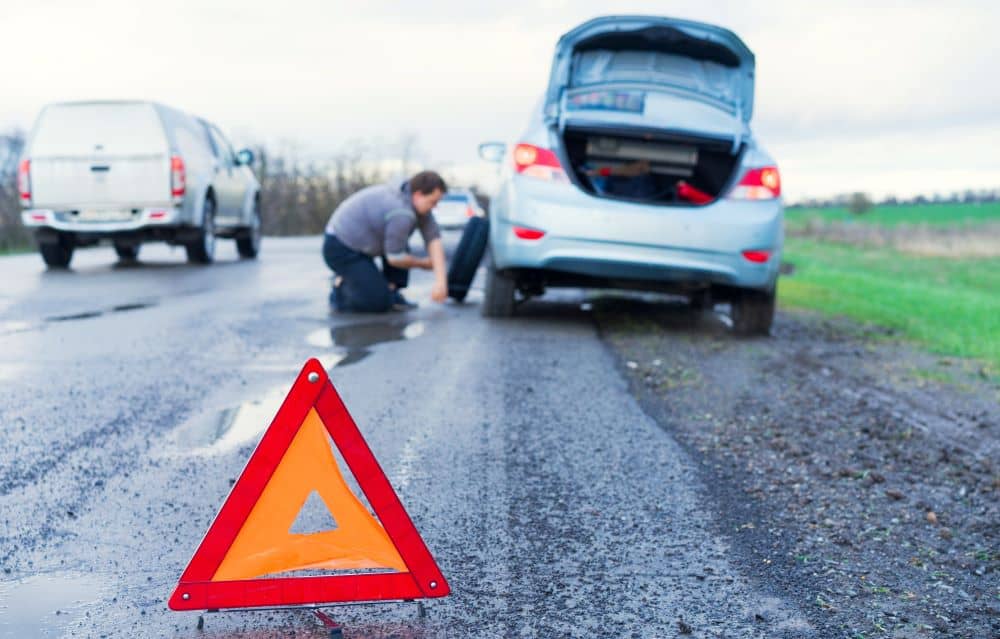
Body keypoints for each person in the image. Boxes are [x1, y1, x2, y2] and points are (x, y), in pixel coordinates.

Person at [322, 171, 448, 312]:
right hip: (340, 247)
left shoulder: (417, 204)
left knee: (399, 242)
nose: (435, 206)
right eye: (433, 202)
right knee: (377, 303)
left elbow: (434, 240)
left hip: (366, 242)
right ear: (418, 195)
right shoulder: (401, 212)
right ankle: (340, 291)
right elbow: (395, 258)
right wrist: (423, 264)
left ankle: (391, 291)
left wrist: (441, 283)